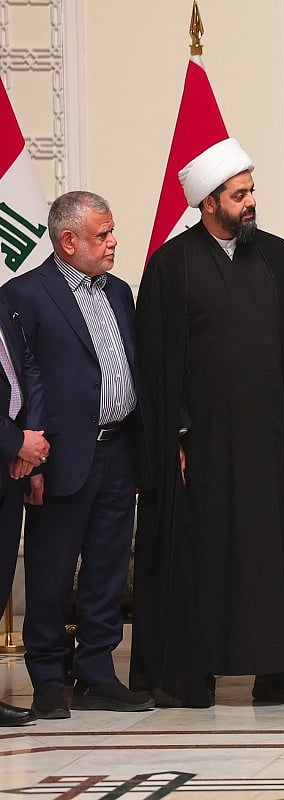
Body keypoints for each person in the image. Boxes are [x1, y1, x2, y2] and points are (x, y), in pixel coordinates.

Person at [131, 138, 284, 708]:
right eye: (239, 195)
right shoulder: (172, 264)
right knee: (205, 554)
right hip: (204, 445)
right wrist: (176, 433)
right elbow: (156, 363)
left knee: (269, 554)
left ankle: (272, 672)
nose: (251, 202)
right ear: (208, 203)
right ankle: (194, 675)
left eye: (251, 191)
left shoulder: (277, 257)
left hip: (271, 442)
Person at [3, 191, 152, 720]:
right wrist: (30, 463)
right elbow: (20, 384)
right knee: (51, 570)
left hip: (118, 451)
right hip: (57, 459)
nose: (113, 242)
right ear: (68, 241)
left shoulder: (120, 293)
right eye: (102, 234)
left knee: (107, 569)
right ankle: (47, 677)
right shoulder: (25, 294)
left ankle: (96, 673)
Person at [0, 292, 46, 727]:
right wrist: (15, 441)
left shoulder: (4, 304)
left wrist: (29, 440)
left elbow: (28, 370)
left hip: (10, 467)